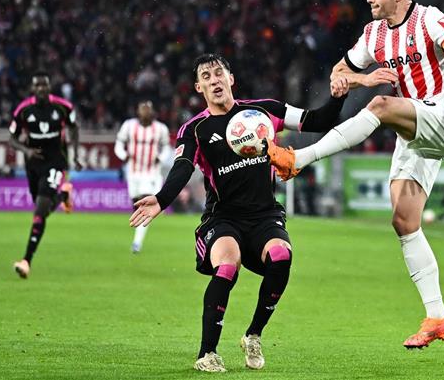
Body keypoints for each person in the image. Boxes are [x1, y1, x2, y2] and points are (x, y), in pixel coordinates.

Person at [265, 0, 444, 349]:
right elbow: (339, 73)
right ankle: (437, 316)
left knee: (379, 107)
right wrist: (361, 77)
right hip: (416, 129)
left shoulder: (431, 21)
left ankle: (299, 158)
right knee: (403, 220)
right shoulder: (373, 35)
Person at [129, 53, 348, 372]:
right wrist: (162, 199)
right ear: (198, 88)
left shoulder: (264, 111)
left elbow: (317, 121)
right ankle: (207, 353)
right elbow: (182, 167)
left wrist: (337, 98)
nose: (214, 79)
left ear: (231, 79)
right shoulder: (196, 128)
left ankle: (253, 335)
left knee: (282, 257)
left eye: (219, 73)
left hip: (264, 215)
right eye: (206, 76)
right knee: (228, 266)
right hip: (223, 218)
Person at [9, 72, 82, 279]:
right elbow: (11, 139)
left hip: (55, 162)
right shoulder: (23, 110)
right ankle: (63, 196)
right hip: (33, 164)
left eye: (44, 85)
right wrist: (26, 150)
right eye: (37, 85)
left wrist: (75, 154)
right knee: (42, 210)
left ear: (49, 88)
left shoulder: (62, 107)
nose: (41, 88)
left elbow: (74, 128)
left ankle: (26, 260)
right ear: (33, 89)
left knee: (40, 211)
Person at [114, 101, 171, 253]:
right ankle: (138, 239)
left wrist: (161, 157)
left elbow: (166, 147)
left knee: (143, 207)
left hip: (151, 174)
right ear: (138, 111)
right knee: (137, 207)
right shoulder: (129, 126)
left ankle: (137, 243)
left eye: (148, 110)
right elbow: (119, 143)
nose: (145, 112)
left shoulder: (160, 128)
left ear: (152, 112)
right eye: (142, 109)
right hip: (133, 174)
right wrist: (123, 155)